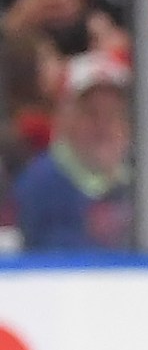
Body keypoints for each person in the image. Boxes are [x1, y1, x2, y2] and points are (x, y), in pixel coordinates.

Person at [11, 50, 133, 250]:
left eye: (114, 114)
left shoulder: (146, 180)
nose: (104, 125)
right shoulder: (40, 185)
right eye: (91, 112)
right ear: (65, 117)